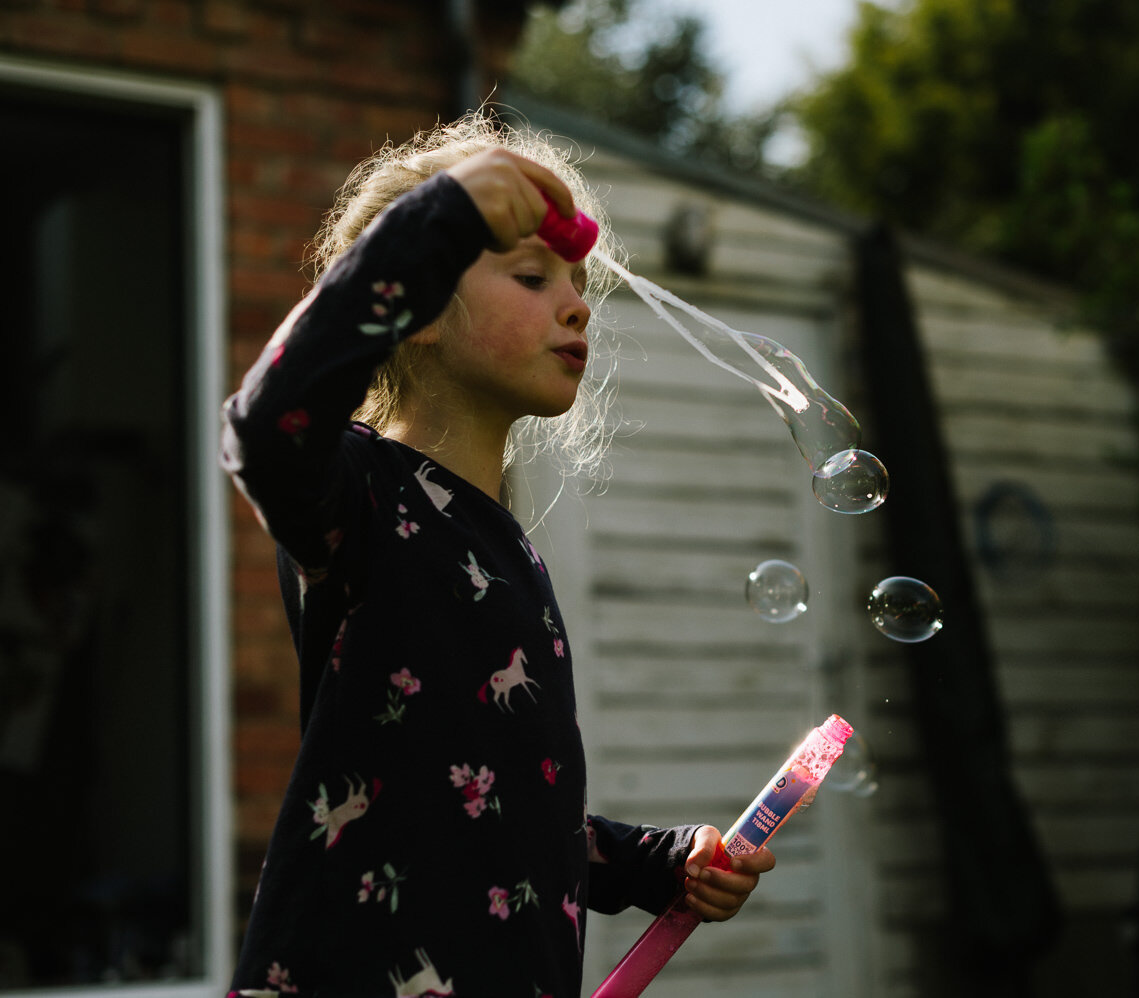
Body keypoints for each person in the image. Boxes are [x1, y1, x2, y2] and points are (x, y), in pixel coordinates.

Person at [221, 112, 775, 998]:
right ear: (418, 308)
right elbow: (264, 427)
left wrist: (658, 865)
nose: (577, 301)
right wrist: (439, 218)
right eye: (530, 274)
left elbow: (494, 799)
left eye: (578, 280)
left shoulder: (506, 549)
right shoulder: (363, 496)